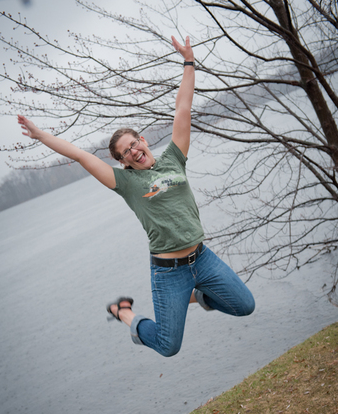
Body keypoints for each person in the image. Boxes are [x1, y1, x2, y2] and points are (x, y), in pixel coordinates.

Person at [18, 35, 255, 357]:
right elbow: (80, 155)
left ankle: (195, 294)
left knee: (244, 306)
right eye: (125, 152)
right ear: (122, 161)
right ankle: (124, 312)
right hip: (168, 271)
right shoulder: (125, 182)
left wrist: (188, 61)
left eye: (134, 143)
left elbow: (182, 107)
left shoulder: (174, 157)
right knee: (168, 346)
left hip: (203, 258)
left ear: (143, 140)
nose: (133, 150)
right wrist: (40, 134)